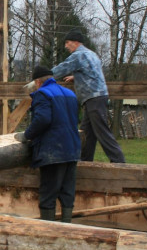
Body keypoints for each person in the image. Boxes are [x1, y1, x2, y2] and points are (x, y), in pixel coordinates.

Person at [16, 65, 81, 222]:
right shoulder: (71, 94)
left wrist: (27, 135)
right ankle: (67, 226)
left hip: (53, 151)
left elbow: (43, 119)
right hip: (72, 149)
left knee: (48, 194)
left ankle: (48, 230)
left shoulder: (42, 94)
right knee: (67, 191)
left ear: (38, 82)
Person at [52, 29, 126, 163]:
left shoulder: (78, 56)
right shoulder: (92, 54)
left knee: (103, 133)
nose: (66, 46)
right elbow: (93, 73)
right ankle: (85, 162)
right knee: (86, 134)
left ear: (75, 42)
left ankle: (119, 163)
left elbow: (61, 69)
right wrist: (76, 77)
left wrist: (43, 77)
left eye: (67, 43)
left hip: (93, 98)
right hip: (96, 97)